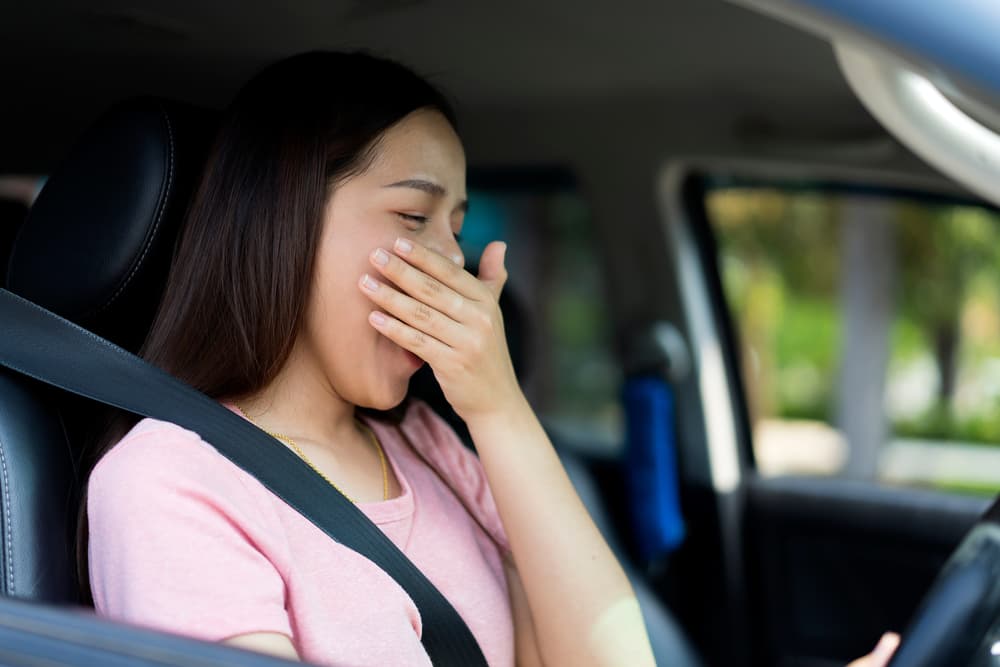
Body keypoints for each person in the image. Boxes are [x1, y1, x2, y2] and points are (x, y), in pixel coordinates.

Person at [82, 51, 897, 667]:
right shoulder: (170, 488)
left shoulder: (427, 445)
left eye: (457, 230)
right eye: (412, 217)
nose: (453, 267)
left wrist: (499, 410)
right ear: (282, 224)